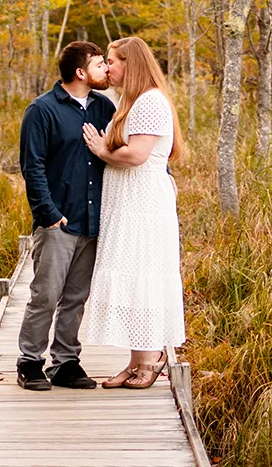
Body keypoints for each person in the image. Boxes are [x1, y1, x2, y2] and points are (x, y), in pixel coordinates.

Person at [80, 35, 187, 389]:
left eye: (112, 61)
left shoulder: (151, 102)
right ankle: (135, 359)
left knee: (143, 273)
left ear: (131, 63)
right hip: (127, 200)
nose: (108, 68)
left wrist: (100, 150)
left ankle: (152, 357)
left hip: (142, 202)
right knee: (130, 273)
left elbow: (136, 155)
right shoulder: (131, 101)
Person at [16, 39, 114, 392]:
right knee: (46, 294)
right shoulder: (41, 110)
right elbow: (33, 166)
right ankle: (30, 361)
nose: (106, 68)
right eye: (100, 63)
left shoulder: (104, 108)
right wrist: (48, 213)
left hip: (93, 219)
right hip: (59, 219)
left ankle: (66, 362)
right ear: (79, 71)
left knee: (76, 296)